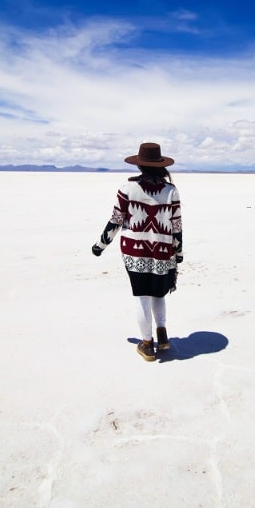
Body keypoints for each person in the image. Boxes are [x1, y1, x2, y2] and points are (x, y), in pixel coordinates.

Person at [92, 143, 183, 361]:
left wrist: (100, 245)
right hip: (163, 251)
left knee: (142, 296)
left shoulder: (127, 188)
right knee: (159, 294)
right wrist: (178, 254)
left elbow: (116, 220)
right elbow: (177, 226)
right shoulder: (171, 191)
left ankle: (146, 344)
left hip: (135, 252)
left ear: (140, 165)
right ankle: (162, 338)